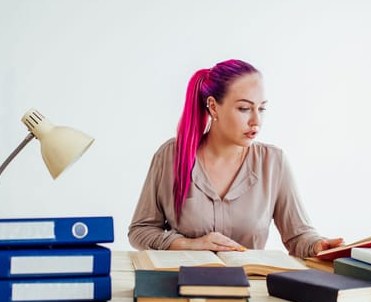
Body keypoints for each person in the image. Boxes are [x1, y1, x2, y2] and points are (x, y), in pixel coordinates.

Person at [128, 59, 343, 258]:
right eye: (244, 109)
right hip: (184, 286)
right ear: (213, 107)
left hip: (249, 289)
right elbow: (140, 231)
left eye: (262, 108)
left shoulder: (273, 162)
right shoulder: (170, 156)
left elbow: (298, 236)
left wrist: (318, 246)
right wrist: (189, 244)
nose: (256, 121)